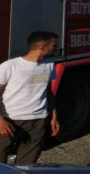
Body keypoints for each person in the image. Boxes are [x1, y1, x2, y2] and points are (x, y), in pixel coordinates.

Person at [0, 31, 60, 164]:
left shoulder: (49, 65)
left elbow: (48, 92)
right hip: (11, 121)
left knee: (27, 165)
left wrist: (54, 116)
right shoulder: (9, 66)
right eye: (54, 45)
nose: (57, 48)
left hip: (38, 122)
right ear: (42, 47)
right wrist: (0, 120)